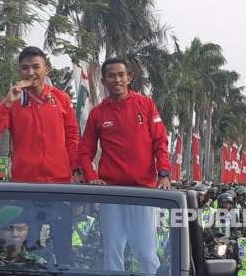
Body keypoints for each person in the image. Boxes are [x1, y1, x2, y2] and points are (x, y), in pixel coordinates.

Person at [79, 57, 171, 274]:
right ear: (103, 80)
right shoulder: (98, 113)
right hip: (112, 194)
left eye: (121, 75)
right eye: (111, 75)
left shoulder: (146, 105)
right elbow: (84, 152)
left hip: (143, 192)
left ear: (129, 78)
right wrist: (92, 177)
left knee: (147, 254)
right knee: (112, 254)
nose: (117, 79)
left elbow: (160, 141)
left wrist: (164, 173)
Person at [0, 46, 81, 183]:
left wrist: (76, 168)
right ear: (20, 71)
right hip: (24, 183)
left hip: (60, 182)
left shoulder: (62, 98)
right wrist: (7, 103)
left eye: (36, 67)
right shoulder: (13, 101)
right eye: (25, 68)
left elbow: (72, 137)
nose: (30, 72)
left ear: (46, 70)